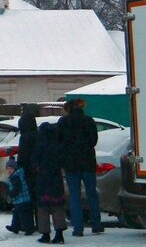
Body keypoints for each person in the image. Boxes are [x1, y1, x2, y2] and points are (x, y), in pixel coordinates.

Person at [58, 99, 103, 236]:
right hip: (88, 162)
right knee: (92, 194)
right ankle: (96, 224)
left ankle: (78, 228)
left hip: (71, 164)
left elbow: (59, 141)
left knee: (75, 196)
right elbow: (94, 140)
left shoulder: (63, 122)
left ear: (69, 108)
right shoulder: (89, 121)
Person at [32, 121, 67, 244]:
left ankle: (45, 234)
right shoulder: (58, 146)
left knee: (43, 208)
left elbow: (34, 161)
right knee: (57, 207)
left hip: (43, 179)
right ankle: (59, 234)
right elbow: (63, 161)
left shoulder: (39, 145)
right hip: (56, 179)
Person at [4, 157, 36, 236]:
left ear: (14, 168)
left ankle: (29, 228)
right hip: (20, 199)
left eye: (11, 168)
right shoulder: (17, 174)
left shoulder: (15, 177)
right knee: (17, 214)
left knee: (24, 215)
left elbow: (17, 189)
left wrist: (11, 195)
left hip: (22, 199)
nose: (9, 170)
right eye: (7, 169)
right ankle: (15, 227)